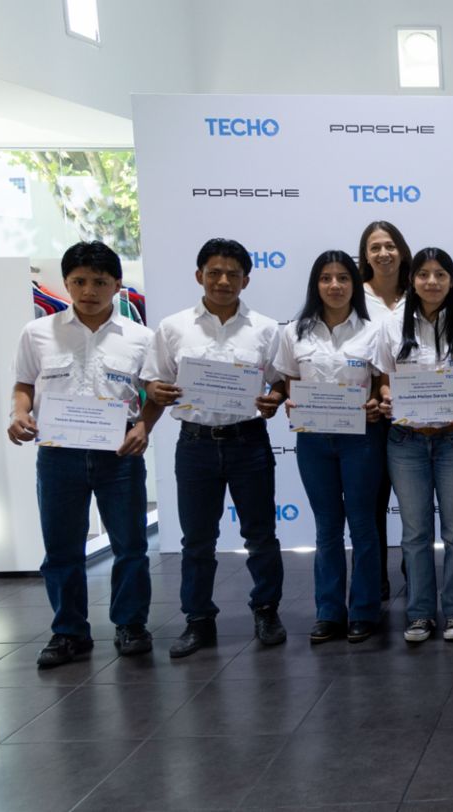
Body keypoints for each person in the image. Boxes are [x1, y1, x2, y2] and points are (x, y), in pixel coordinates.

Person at [9, 241, 161, 667]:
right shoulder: (37, 332)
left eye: (99, 281)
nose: (88, 290)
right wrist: (18, 413)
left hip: (119, 455)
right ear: (66, 282)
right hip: (58, 455)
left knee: (130, 546)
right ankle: (69, 632)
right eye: (78, 281)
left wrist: (145, 426)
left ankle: (131, 624)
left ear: (117, 284)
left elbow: (155, 392)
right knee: (61, 549)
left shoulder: (141, 337)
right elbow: (23, 384)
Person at [142, 238, 287, 658]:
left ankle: (266, 610)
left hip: (248, 441)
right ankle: (198, 620)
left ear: (246, 280)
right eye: (214, 273)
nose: (223, 281)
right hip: (195, 444)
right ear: (199, 276)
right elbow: (153, 379)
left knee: (260, 534)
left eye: (232, 274)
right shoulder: (173, 327)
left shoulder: (265, 328)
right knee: (197, 540)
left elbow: (280, 380)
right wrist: (156, 390)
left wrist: (275, 398)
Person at [376, 248, 453, 644]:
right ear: (412, 280)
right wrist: (388, 397)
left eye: (440, 274)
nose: (432, 282)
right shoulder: (391, 325)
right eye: (423, 274)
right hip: (406, 441)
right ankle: (420, 613)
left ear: (452, 281)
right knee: (415, 532)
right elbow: (383, 380)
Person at [276, 250, 386, 643]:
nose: (335, 285)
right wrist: (290, 402)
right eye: (326, 278)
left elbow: (382, 382)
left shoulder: (374, 331)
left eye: (343, 278)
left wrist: (376, 403)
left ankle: (365, 610)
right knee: (326, 527)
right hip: (312, 441)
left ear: (355, 285)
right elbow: (290, 381)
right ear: (315, 285)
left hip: (362, 439)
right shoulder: (294, 332)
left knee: (363, 523)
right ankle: (328, 612)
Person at [358, 221, 411, 601]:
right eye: (375, 247)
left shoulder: (420, 291)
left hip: (414, 416)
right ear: (365, 255)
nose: (383, 253)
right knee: (372, 505)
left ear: (402, 251)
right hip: (370, 417)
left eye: (390, 245)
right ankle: (375, 582)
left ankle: (416, 576)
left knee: (414, 507)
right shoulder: (353, 296)